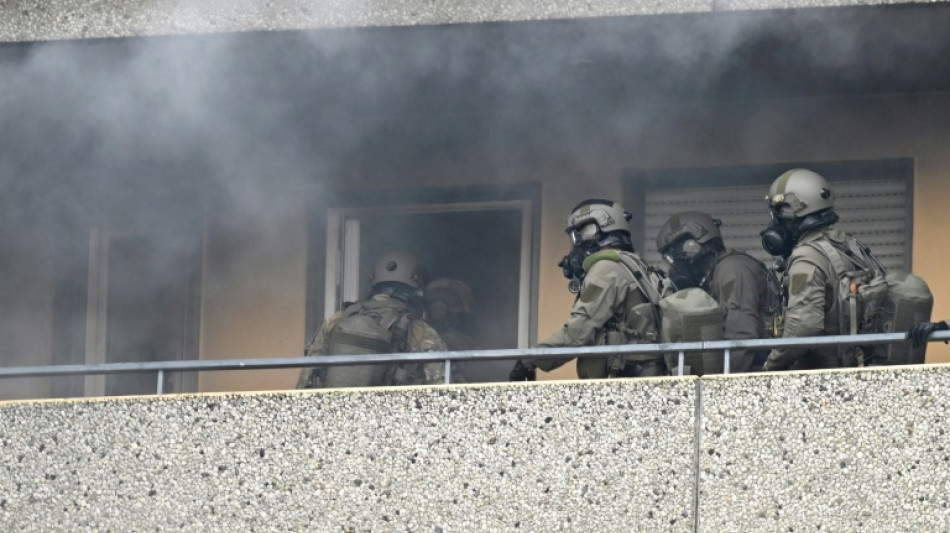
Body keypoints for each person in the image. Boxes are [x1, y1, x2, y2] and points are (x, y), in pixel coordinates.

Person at [510, 198, 666, 380]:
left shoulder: (606, 270)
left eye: (577, 236)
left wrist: (530, 360)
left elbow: (578, 332)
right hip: (645, 379)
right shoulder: (635, 266)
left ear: (592, 231)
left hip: (625, 384)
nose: (575, 246)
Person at [759, 168, 876, 371]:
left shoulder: (806, 256)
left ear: (797, 211)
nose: (776, 223)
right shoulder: (850, 246)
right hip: (857, 366)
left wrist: (771, 366)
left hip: (819, 375)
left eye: (781, 213)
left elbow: (803, 327)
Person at [297, 250, 447, 389]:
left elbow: (307, 377)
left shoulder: (338, 319)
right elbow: (439, 386)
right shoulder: (419, 329)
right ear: (418, 291)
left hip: (333, 412)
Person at [655, 211, 777, 373]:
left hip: (753, 374)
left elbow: (741, 336)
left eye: (674, 256)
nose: (674, 266)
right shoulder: (718, 272)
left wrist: (723, 385)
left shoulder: (732, 269)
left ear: (692, 247)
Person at [425, 278, 479, 352]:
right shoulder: (423, 328)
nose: (439, 310)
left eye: (442, 308)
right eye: (436, 308)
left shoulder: (457, 332)